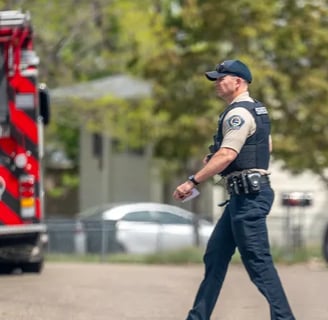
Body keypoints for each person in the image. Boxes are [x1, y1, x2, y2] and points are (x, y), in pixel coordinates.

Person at [173, 59, 296, 320]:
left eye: (221, 78)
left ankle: (285, 318)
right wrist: (223, 159)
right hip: (242, 197)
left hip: (249, 198)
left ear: (238, 82)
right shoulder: (257, 110)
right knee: (215, 256)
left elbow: (227, 154)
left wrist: (192, 181)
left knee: (258, 263)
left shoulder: (238, 113)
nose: (217, 83)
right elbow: (265, 148)